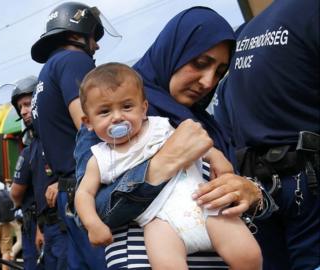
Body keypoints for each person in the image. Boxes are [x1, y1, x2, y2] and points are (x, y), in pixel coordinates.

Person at [74, 7, 271, 269]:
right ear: (172, 51)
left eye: (220, 71)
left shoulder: (209, 125)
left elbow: (246, 194)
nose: (207, 81)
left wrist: (253, 193)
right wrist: (158, 168)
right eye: (200, 63)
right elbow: (88, 212)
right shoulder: (109, 122)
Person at [213, 0, 320, 269]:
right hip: (308, 185)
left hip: (260, 189)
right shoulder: (311, 11)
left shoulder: (246, 33)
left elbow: (226, 116)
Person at [30, 2, 115, 269]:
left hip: (70, 194)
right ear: (77, 34)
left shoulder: (46, 73)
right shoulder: (74, 60)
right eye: (93, 37)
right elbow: (89, 124)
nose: (97, 46)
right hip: (91, 191)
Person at [9, 76, 46, 270]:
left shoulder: (31, 149)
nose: (24, 111)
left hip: (38, 223)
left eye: (27, 104)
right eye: (20, 107)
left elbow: (15, 194)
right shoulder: (44, 140)